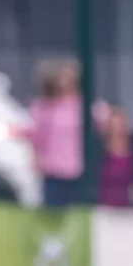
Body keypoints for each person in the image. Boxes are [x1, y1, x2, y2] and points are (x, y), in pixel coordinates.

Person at [28, 60, 87, 207]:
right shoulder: (44, 107)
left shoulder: (82, 106)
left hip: (78, 169)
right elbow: (37, 135)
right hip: (53, 169)